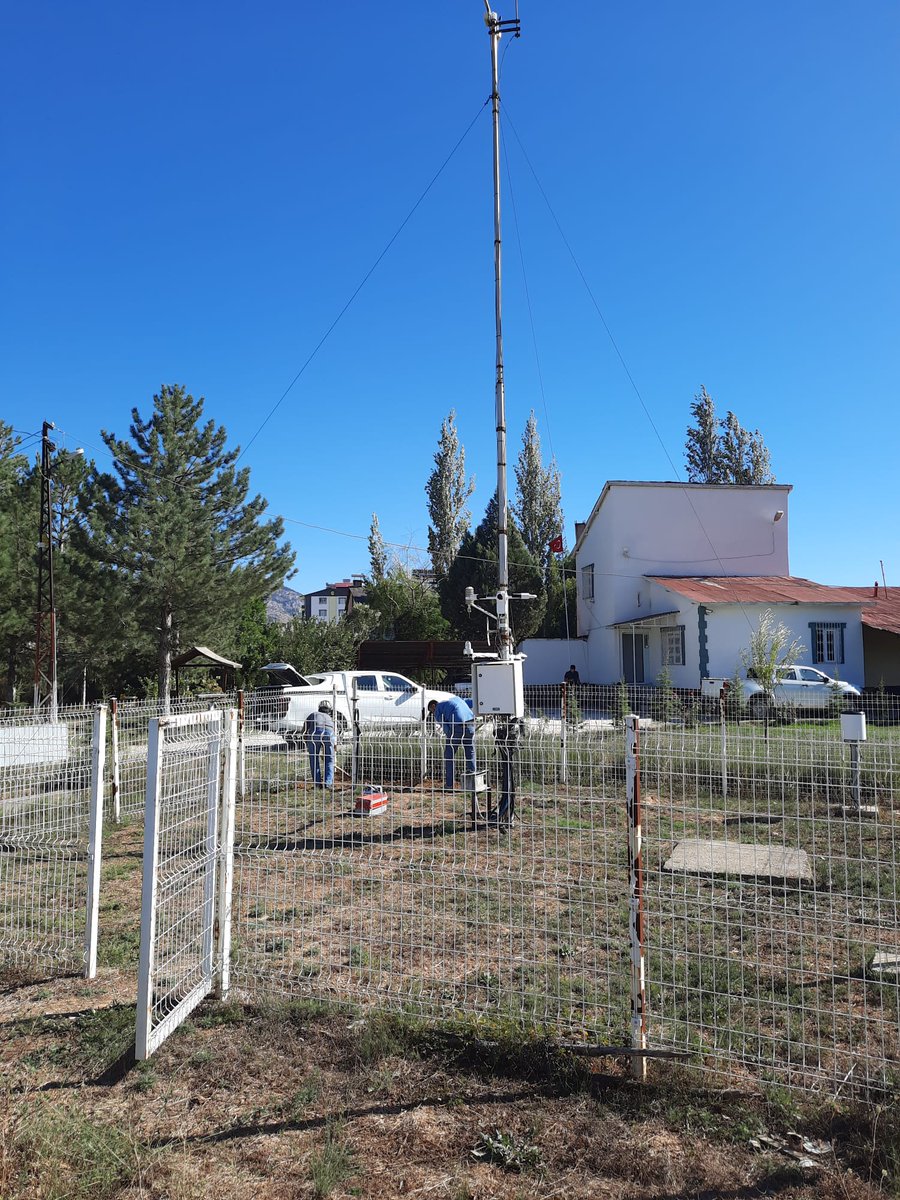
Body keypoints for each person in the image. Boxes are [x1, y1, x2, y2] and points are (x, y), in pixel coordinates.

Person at [427, 696, 476, 789]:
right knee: (470, 752)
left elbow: (445, 727)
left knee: (449, 755)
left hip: (457, 725)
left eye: (431, 711)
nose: (433, 713)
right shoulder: (457, 699)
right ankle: (473, 781)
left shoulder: (438, 709)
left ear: (433, 706)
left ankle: (449, 784)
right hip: (471, 723)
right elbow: (472, 702)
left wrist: (449, 736)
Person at [304, 700, 335, 787]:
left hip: (315, 733)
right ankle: (328, 783)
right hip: (329, 734)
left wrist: (306, 741)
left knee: (314, 758)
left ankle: (317, 784)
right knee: (329, 759)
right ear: (329, 710)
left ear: (319, 708)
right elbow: (334, 733)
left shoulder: (313, 714)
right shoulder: (330, 719)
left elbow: (304, 729)